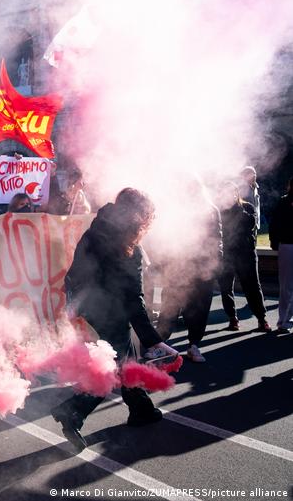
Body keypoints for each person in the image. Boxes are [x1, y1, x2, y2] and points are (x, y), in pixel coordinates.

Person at [50, 188, 178, 451]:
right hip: (109, 311)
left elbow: (76, 271)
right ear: (139, 219)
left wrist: (75, 305)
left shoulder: (97, 228)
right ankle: (73, 411)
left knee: (124, 361)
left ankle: (140, 409)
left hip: (87, 305)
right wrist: (154, 341)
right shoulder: (129, 248)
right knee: (114, 365)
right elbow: (134, 298)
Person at [157, 179, 222, 362]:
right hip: (178, 266)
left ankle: (194, 345)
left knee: (199, 309)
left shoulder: (211, 211)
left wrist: (214, 265)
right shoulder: (175, 211)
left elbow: (217, 240)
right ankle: (160, 345)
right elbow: (166, 238)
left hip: (202, 268)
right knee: (169, 307)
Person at [217, 182, 270, 332]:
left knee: (252, 286)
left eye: (232, 193)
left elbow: (251, 223)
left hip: (245, 253)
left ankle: (262, 319)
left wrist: (238, 209)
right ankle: (232, 318)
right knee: (226, 287)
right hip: (227, 254)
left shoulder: (247, 207)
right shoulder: (220, 212)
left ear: (237, 194)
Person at [269, 177, 293, 334]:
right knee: (286, 286)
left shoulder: (283, 202)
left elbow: (274, 224)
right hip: (287, 244)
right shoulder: (284, 202)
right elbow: (274, 224)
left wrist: (274, 242)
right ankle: (284, 320)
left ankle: (284, 320)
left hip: (286, 245)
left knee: (286, 285)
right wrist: (275, 241)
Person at [240, 166, 261, 231]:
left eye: (255, 174)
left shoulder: (256, 188)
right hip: (246, 224)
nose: (254, 176)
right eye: (252, 174)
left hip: (255, 224)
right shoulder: (241, 188)